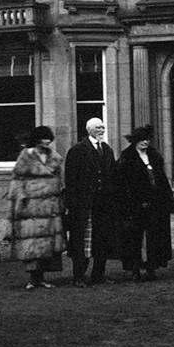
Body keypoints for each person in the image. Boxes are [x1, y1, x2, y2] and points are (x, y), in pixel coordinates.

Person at [4, 126, 65, 290]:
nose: (47, 141)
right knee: (32, 243)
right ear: (37, 139)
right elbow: (17, 180)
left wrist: (60, 201)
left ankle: (42, 278)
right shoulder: (26, 156)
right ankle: (33, 278)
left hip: (50, 207)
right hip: (31, 207)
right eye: (44, 138)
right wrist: (20, 199)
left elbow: (60, 181)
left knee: (48, 244)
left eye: (49, 138)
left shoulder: (55, 157)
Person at [63, 117, 119, 286]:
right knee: (82, 241)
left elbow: (113, 176)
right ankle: (78, 276)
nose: (101, 130)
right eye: (97, 127)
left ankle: (98, 275)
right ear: (88, 130)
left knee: (102, 240)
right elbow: (71, 180)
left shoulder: (107, 150)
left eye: (103, 127)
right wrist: (72, 204)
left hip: (103, 205)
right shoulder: (78, 150)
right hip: (84, 205)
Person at [116, 124, 174, 282]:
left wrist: (166, 200)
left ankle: (151, 268)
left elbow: (161, 180)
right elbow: (122, 184)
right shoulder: (127, 157)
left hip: (155, 204)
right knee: (133, 239)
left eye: (147, 140)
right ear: (135, 141)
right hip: (135, 206)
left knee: (155, 238)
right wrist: (129, 203)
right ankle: (134, 269)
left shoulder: (154, 156)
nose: (145, 142)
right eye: (142, 140)